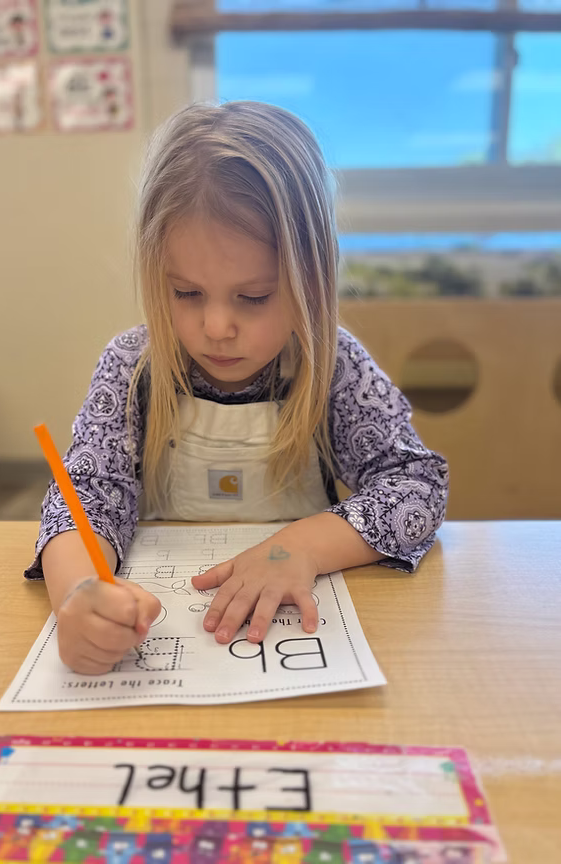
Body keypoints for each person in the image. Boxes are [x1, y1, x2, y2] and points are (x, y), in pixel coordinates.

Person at [26, 101, 448, 674]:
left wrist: (297, 548)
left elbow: (417, 486)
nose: (217, 327)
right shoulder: (133, 367)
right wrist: (79, 595)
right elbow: (87, 498)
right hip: (168, 636)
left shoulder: (331, 364)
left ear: (311, 280)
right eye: (185, 293)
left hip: (294, 636)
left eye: (253, 298)